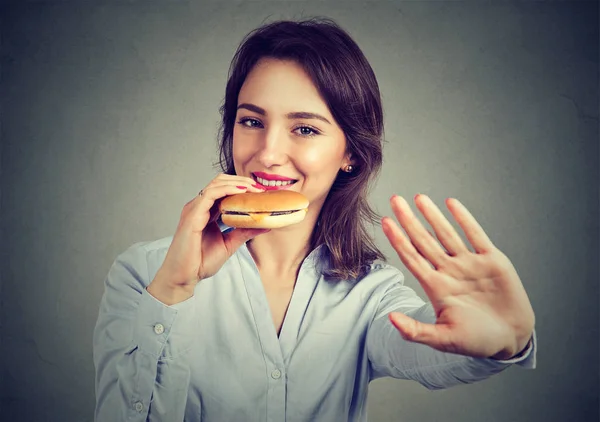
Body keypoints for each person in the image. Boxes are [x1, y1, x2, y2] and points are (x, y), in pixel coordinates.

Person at [93, 17, 536, 422]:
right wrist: (172, 291)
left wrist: (505, 340)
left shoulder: (369, 294)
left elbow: (424, 346)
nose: (266, 153)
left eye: (304, 128)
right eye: (251, 121)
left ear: (350, 153)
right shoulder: (145, 275)